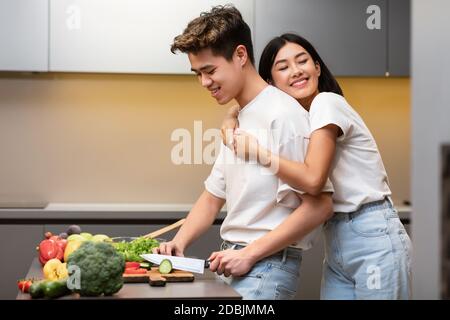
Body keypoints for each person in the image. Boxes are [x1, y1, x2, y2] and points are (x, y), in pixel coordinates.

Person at [153, 7, 334, 300]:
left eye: (210, 71)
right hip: (234, 262)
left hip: (266, 267)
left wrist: (249, 254)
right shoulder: (237, 120)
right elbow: (213, 196)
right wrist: (179, 242)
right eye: (197, 73)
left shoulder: (284, 115)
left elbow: (319, 206)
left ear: (240, 55)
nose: (204, 82)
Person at [220, 33, 412, 299]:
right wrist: (231, 116)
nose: (297, 71)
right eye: (283, 67)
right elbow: (248, 106)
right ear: (271, 82)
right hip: (336, 238)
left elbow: (313, 179)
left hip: (372, 232)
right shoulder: (301, 118)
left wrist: (259, 153)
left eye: (303, 61)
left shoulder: (327, 102)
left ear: (317, 68)